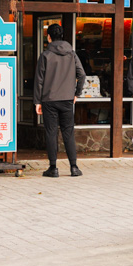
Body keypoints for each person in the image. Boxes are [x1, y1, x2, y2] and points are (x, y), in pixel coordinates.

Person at [33, 23, 87, 177]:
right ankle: (74, 167)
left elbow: (39, 80)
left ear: (48, 37)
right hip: (67, 99)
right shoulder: (72, 54)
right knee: (68, 132)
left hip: (49, 100)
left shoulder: (45, 55)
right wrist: (77, 93)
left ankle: (53, 168)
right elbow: (82, 74)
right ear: (61, 36)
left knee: (51, 133)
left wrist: (37, 101)